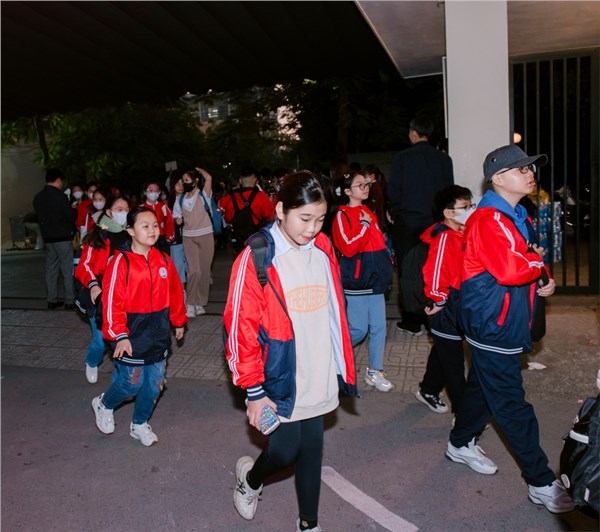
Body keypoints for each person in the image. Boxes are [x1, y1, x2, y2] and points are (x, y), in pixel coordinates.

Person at [224, 171, 358, 532]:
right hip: (279, 374)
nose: (312, 229)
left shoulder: (324, 248)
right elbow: (239, 329)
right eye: (304, 218)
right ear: (281, 209)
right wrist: (254, 391)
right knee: (285, 451)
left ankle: (309, 523)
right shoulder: (257, 256)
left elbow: (334, 311)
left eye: (320, 219)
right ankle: (250, 479)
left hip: (318, 369)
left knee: (312, 449)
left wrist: (342, 363)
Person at [446, 144, 574, 514]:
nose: (530, 174)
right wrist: (536, 265)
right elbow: (511, 268)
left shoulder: (516, 214)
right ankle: (540, 481)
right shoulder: (489, 220)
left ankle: (459, 442)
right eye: (521, 169)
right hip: (492, 323)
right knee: (511, 403)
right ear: (498, 179)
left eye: (531, 168)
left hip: (501, 318)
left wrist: (542, 276)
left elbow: (527, 256)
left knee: (483, 387)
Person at [91, 207, 186, 446]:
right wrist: (120, 335)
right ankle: (104, 404)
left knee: (154, 385)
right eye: (145, 226)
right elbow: (111, 302)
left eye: (154, 225)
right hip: (130, 336)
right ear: (130, 230)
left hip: (158, 334)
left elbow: (175, 293)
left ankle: (139, 424)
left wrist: (179, 321)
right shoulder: (120, 261)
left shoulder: (163, 260)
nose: (152, 230)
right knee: (131, 383)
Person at [387, 116, 454, 335]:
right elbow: (449, 192)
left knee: (408, 269)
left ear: (414, 133)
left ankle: (412, 320)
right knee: (435, 268)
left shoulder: (402, 158)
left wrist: (395, 210)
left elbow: (394, 191)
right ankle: (434, 316)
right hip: (435, 224)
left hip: (408, 222)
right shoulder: (444, 160)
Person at [331, 171, 394, 392]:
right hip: (357, 280)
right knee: (357, 329)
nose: (365, 187)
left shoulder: (367, 211)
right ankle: (333, 354)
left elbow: (377, 243)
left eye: (366, 184)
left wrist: (387, 260)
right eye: (359, 185)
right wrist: (365, 226)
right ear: (347, 191)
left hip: (375, 277)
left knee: (379, 327)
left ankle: (375, 370)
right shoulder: (342, 215)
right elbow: (348, 247)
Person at [415, 185, 474, 415]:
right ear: (448, 213)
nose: (470, 211)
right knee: (454, 365)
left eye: (471, 206)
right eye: (465, 207)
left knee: (445, 351)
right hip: (445, 308)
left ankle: (428, 389)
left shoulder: (462, 233)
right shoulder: (443, 238)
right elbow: (434, 273)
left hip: (458, 304)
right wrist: (438, 300)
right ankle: (464, 417)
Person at [74, 193, 131, 384]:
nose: (123, 214)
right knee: (100, 341)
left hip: (124, 294)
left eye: (126, 210)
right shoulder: (99, 234)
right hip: (100, 294)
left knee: (123, 338)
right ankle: (92, 361)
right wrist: (93, 285)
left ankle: (123, 379)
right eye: (119, 210)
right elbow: (84, 266)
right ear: (108, 212)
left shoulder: (133, 233)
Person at [172, 167, 214, 318]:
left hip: (206, 235)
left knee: (204, 271)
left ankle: (200, 302)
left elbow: (209, 178)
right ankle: (190, 303)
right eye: (183, 181)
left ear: (195, 181)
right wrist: (178, 219)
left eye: (187, 180)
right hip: (189, 237)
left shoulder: (203, 195)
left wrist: (199, 170)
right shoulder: (180, 199)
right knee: (193, 271)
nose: (185, 183)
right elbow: (176, 216)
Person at [32, 168, 77, 309]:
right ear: (58, 180)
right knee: (67, 269)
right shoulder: (60, 196)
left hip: (48, 239)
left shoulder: (38, 197)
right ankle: (70, 300)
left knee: (51, 269)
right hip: (63, 238)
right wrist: (74, 210)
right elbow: (71, 216)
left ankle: (52, 300)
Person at [219, 165, 275, 256]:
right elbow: (270, 215)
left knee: (239, 259)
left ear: (240, 181)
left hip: (237, 236)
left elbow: (226, 216)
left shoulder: (230, 196)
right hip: (256, 237)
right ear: (256, 180)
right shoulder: (260, 196)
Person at [142, 180, 175, 254]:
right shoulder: (141, 207)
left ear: (159, 192)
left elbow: (169, 222)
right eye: (150, 190)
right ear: (145, 192)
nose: (153, 193)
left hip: (162, 238)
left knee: (164, 258)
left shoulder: (163, 206)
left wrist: (169, 237)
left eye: (156, 190)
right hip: (147, 238)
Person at [167, 176, 188, 287]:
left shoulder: (189, 200)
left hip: (190, 237)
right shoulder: (167, 204)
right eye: (177, 183)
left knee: (191, 267)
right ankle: (182, 292)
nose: (180, 186)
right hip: (175, 240)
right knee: (178, 267)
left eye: (182, 183)